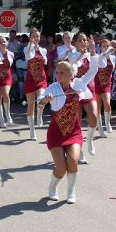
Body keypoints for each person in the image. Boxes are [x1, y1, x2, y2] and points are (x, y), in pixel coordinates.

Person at [38, 43, 99, 204]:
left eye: (62, 73)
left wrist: (93, 53)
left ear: (71, 74)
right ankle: (52, 187)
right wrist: (45, 100)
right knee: (61, 167)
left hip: (73, 132)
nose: (58, 75)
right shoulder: (53, 87)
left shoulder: (78, 85)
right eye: (57, 72)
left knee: (73, 161)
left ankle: (71, 191)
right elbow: (40, 100)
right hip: (56, 133)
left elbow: (92, 71)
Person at [69, 32, 98, 159]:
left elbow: (97, 67)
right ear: (75, 43)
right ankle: (78, 150)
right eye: (80, 40)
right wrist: (82, 54)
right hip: (75, 90)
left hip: (89, 89)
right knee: (77, 121)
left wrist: (92, 52)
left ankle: (90, 139)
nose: (82, 42)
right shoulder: (72, 55)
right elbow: (73, 62)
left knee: (94, 116)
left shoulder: (91, 55)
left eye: (84, 40)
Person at [24, 28, 47, 140]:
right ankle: (32, 130)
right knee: (30, 105)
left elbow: (46, 61)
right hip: (30, 79)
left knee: (41, 99)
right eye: (34, 36)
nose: (36, 38)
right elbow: (28, 56)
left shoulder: (43, 50)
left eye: (37, 36)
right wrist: (31, 44)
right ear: (30, 37)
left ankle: (39, 115)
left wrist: (39, 49)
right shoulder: (26, 49)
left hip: (41, 79)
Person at [95, 38, 116, 137]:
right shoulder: (98, 56)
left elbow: (112, 70)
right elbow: (100, 58)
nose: (106, 48)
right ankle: (100, 128)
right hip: (96, 83)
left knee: (107, 103)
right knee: (98, 107)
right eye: (104, 46)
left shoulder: (113, 57)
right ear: (100, 47)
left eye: (107, 46)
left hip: (107, 83)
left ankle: (107, 123)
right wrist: (107, 52)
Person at [0, 37, 14, 127]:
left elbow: (10, 63)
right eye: (0, 42)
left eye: (4, 42)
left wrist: (2, 61)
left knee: (6, 94)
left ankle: (8, 115)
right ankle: (1, 119)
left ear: (6, 43)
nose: (2, 43)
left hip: (7, 77)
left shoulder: (11, 54)